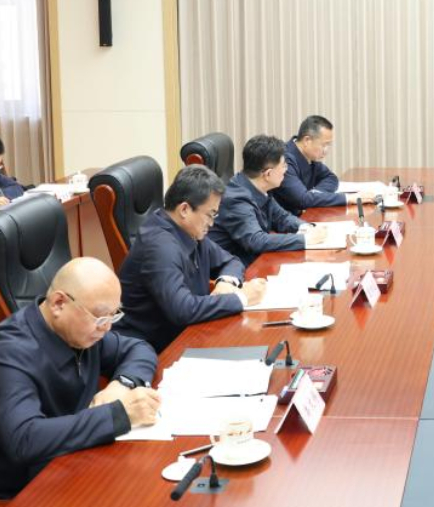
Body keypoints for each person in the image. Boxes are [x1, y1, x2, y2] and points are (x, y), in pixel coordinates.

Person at [0, 258, 160, 500]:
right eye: (101, 318)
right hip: (11, 496)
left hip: (66, 466)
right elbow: (25, 440)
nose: (106, 329)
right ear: (59, 303)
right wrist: (119, 415)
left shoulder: (82, 331)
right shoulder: (6, 355)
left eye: (113, 317)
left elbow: (139, 348)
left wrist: (121, 385)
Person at [115, 165, 267, 352]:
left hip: (187, 334)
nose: (212, 223)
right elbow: (183, 310)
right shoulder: (159, 246)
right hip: (151, 349)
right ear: (185, 209)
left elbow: (231, 261)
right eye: (210, 215)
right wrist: (241, 298)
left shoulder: (190, 231)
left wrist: (225, 283)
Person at [209, 135, 327, 266]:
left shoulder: (258, 186)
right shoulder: (236, 199)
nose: (285, 170)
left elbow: (282, 217)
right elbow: (257, 241)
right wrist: (305, 239)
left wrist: (307, 228)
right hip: (237, 270)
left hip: (257, 260)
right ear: (268, 174)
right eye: (283, 166)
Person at [272, 115, 374, 214]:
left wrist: (314, 194)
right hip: (281, 224)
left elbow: (330, 178)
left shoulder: (308, 156)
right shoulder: (284, 159)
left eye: (328, 145)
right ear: (307, 140)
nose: (326, 151)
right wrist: (348, 198)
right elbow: (302, 200)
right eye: (324, 145)